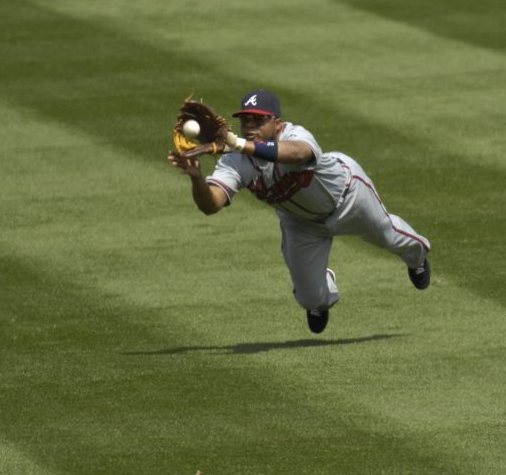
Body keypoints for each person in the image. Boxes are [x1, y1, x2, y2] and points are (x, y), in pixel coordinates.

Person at [167, 89, 431, 334]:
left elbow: (298, 154)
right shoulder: (235, 161)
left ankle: (417, 259)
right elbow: (210, 205)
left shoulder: (295, 135)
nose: (250, 127)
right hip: (302, 223)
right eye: (245, 121)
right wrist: (197, 178)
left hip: (349, 198)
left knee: (389, 235)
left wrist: (239, 144)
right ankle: (321, 285)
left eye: (258, 121)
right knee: (310, 299)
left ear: (277, 124)